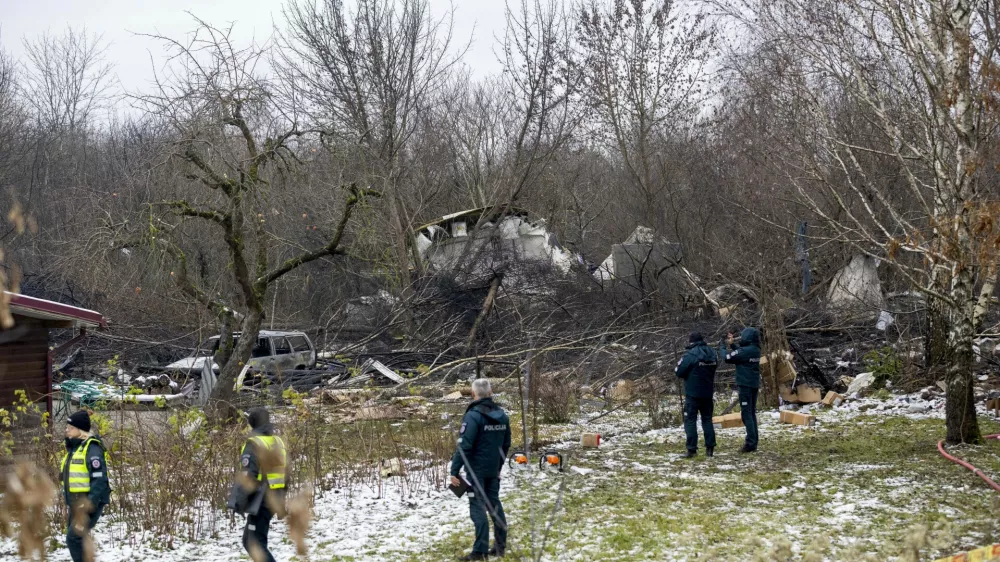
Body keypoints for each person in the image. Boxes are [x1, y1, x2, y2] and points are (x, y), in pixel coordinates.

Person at [450, 379, 512, 560]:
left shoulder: (473, 416)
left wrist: (454, 471)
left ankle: (480, 552)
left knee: (477, 508)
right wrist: (499, 466)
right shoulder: (503, 415)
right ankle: (500, 548)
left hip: (476, 470)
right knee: (494, 505)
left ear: (473, 394)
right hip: (493, 469)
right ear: (490, 394)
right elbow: (506, 444)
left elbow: (464, 446)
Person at [228, 407, 287, 562]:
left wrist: (238, 502)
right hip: (274, 498)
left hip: (261, 500)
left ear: (252, 423)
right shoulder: (278, 442)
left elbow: (248, 476)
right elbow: (286, 474)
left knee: (255, 544)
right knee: (249, 541)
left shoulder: (254, 443)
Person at [60, 410, 110, 562]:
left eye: (70, 427)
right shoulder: (74, 448)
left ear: (80, 430)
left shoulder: (92, 448)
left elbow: (99, 481)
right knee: (79, 540)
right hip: (75, 502)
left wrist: (89, 505)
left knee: (73, 539)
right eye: (67, 427)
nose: (66, 430)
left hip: (87, 502)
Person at [675, 332, 718, 458]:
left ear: (691, 342)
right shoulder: (712, 353)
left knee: (690, 421)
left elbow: (679, 371)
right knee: (707, 420)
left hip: (693, 394)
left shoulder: (690, 355)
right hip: (708, 392)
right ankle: (710, 448)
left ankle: (691, 449)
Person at [721, 327, 762, 453]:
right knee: (751, 412)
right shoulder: (755, 349)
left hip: (745, 385)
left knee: (746, 414)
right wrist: (733, 344)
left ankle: (750, 443)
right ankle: (754, 441)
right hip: (754, 384)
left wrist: (722, 347)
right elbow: (740, 353)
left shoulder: (746, 351)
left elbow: (727, 358)